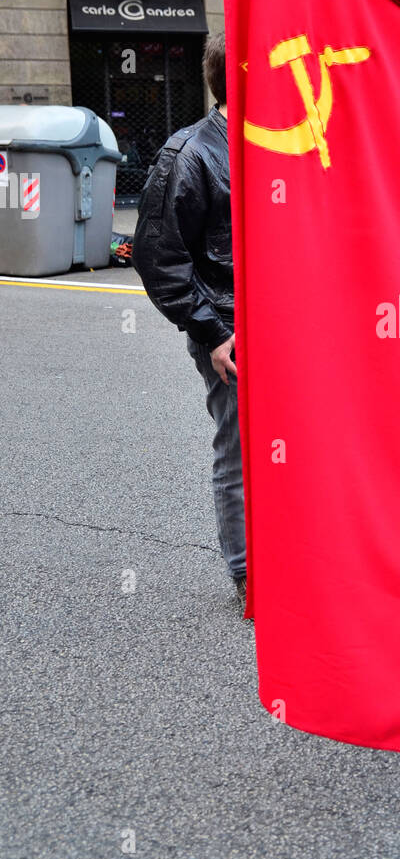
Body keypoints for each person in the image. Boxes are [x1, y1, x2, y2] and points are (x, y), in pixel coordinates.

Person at [133, 33, 247, 599]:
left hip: (282, 330)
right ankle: (248, 571)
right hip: (228, 333)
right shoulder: (190, 153)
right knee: (239, 450)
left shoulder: (278, 143)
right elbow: (158, 258)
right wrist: (214, 332)